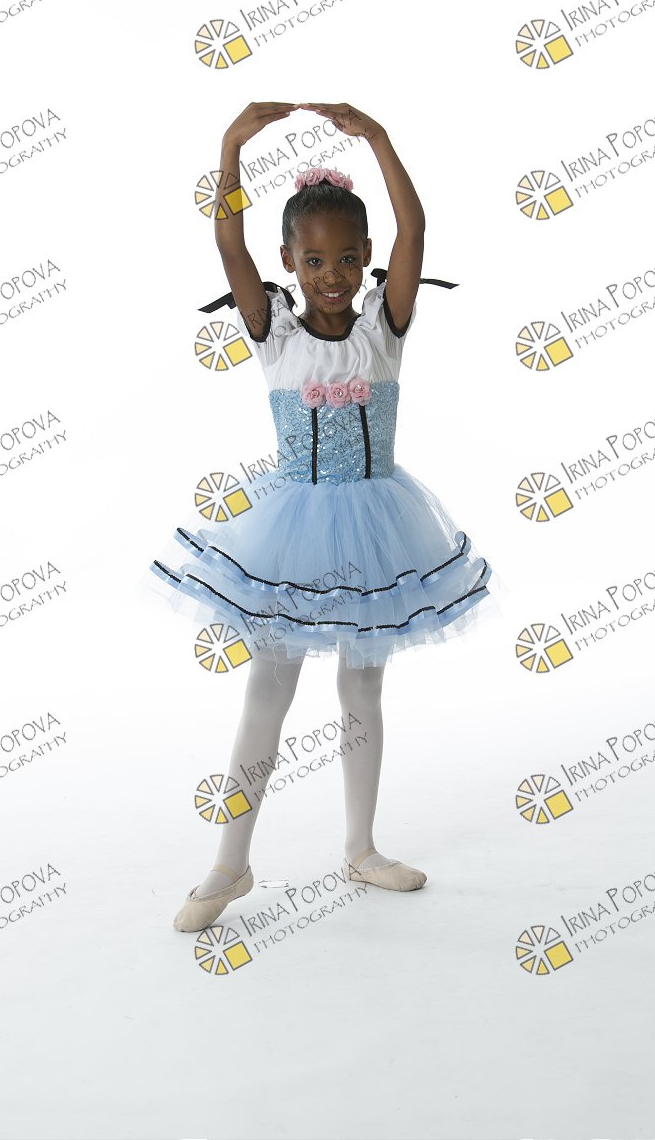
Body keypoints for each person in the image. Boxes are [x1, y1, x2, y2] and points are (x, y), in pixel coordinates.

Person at [146, 101, 504, 932]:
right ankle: (229, 863)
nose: (332, 275)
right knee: (267, 689)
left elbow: (416, 228)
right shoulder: (273, 331)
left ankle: (361, 847)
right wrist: (231, 148)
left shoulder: (386, 327)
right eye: (313, 260)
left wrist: (378, 138)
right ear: (289, 262)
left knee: (361, 686)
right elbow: (227, 244)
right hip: (292, 534)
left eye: (347, 258)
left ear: (367, 255)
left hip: (379, 525)